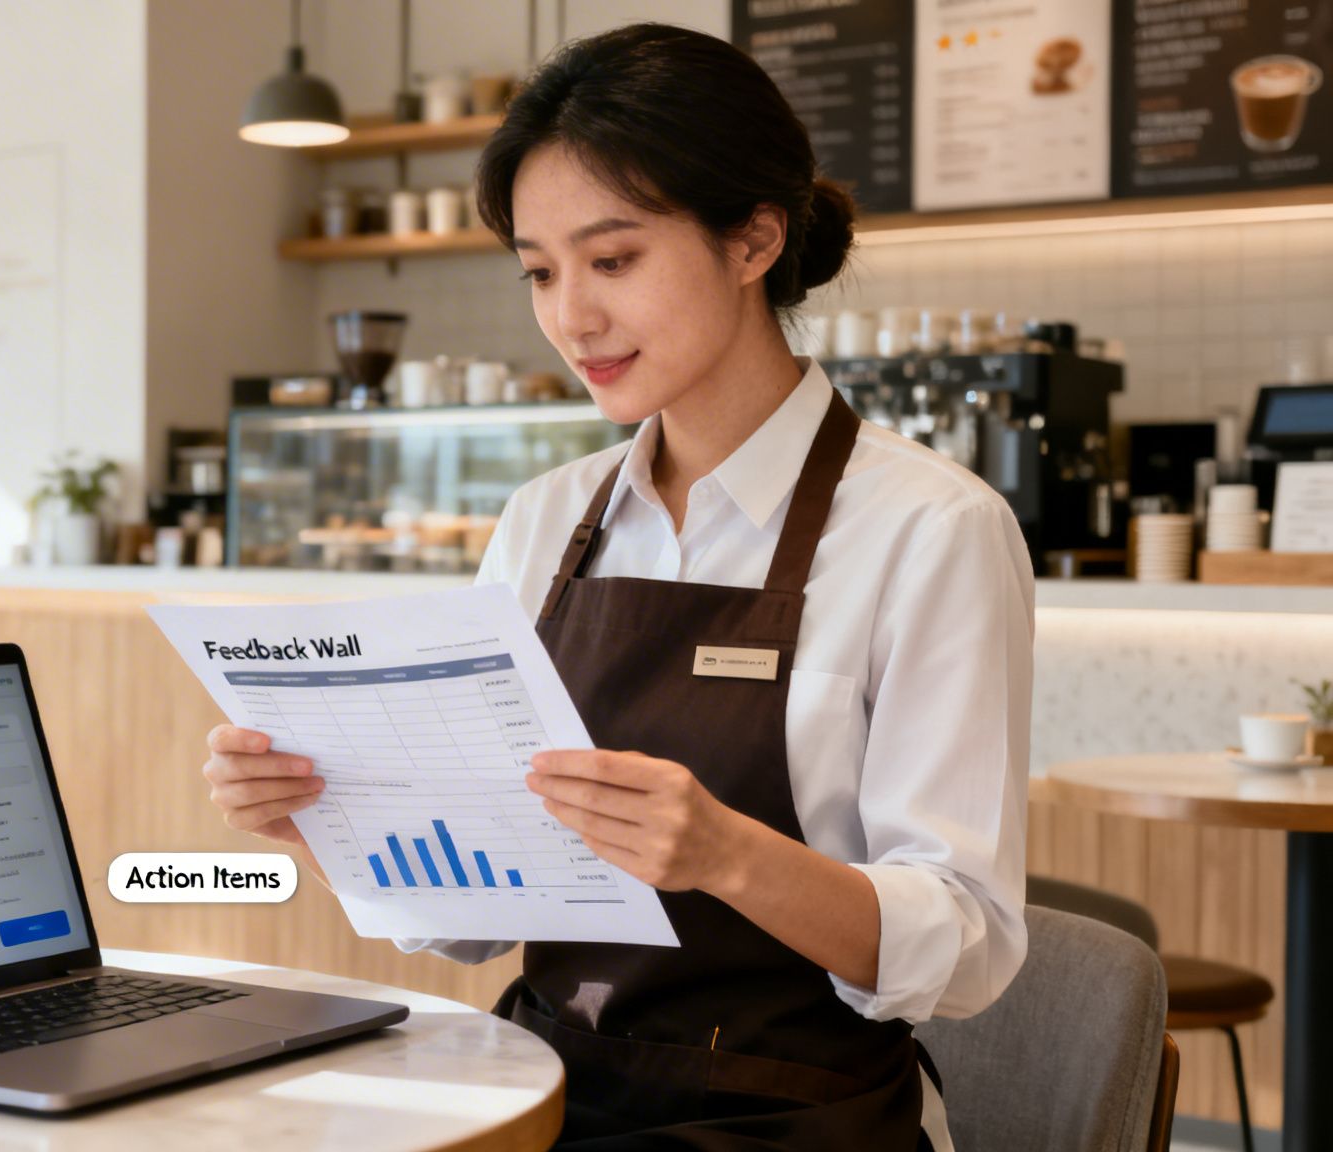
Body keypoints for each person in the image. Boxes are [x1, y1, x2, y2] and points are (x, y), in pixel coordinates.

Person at [202, 23, 1029, 1150]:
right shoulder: (545, 519)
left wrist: (725, 854)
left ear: (751, 239)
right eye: (539, 272)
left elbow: (966, 945)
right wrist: (328, 815)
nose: (569, 319)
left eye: (613, 259)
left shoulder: (931, 529)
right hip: (542, 1090)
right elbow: (476, 920)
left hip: (797, 1116)